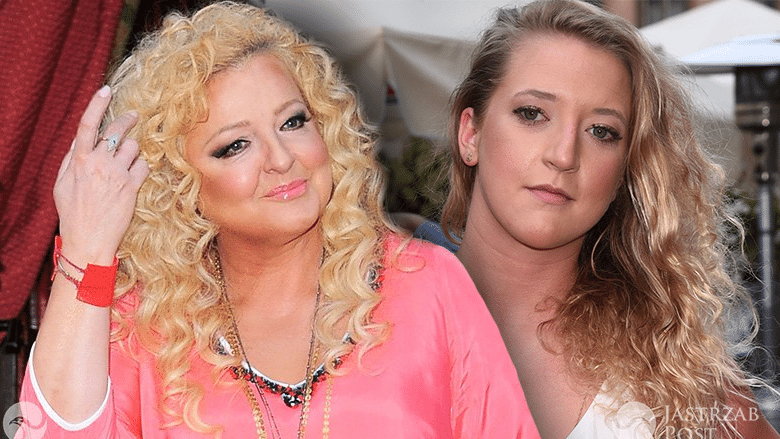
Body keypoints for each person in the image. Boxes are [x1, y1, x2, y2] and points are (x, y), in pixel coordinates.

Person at [17, 2, 539, 438]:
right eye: (235, 146)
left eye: (293, 122)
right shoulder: (146, 325)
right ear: (180, 187)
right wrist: (86, 247)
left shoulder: (428, 284)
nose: (282, 158)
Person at [431, 0, 780, 437]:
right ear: (470, 133)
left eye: (601, 132)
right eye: (532, 114)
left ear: (623, 173)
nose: (564, 155)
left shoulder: (675, 374)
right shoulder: (372, 327)